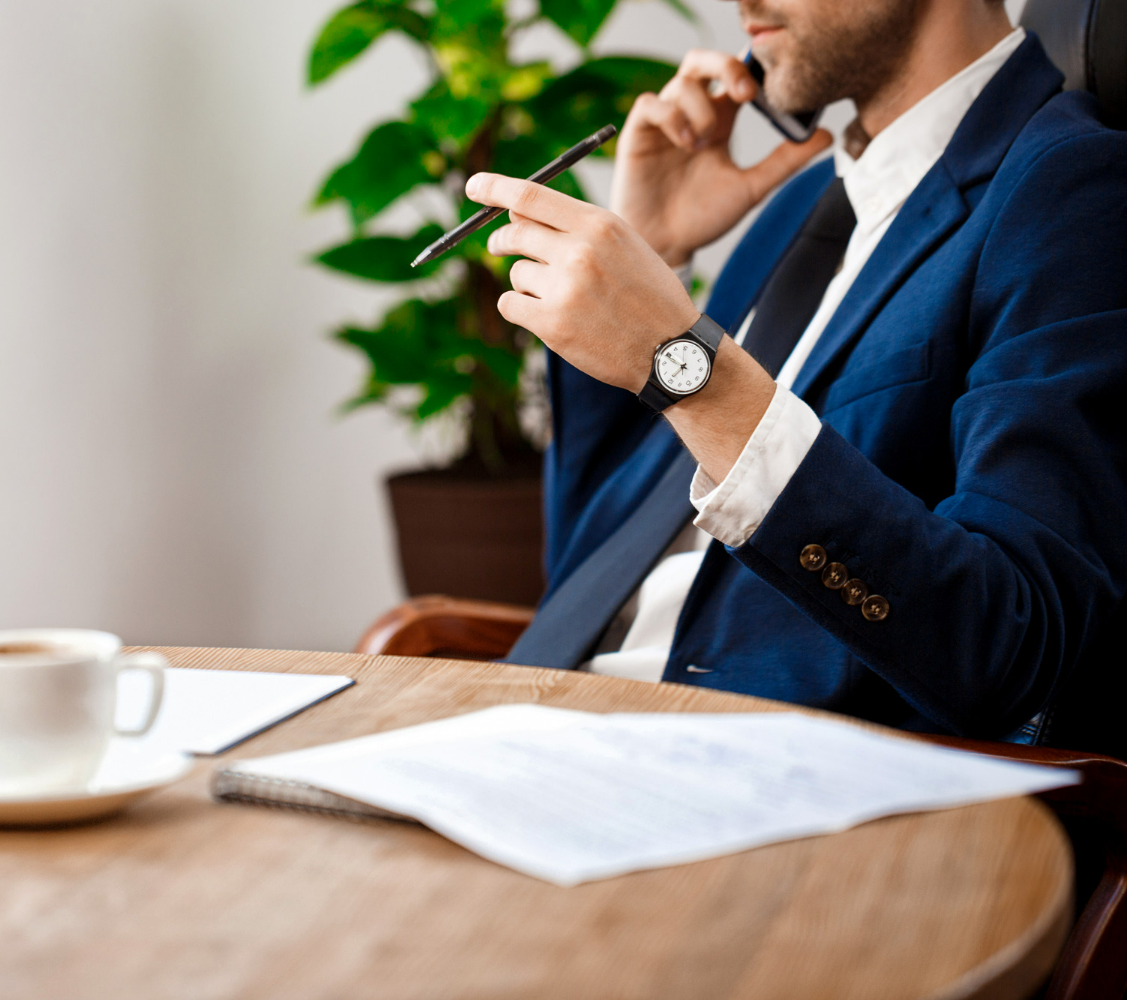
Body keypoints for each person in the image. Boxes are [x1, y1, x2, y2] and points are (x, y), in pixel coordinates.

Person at [464, 0, 1127, 753]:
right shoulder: (800, 212)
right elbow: (584, 581)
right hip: (546, 727)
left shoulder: (1076, 189)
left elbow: (1010, 647)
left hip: (752, 780)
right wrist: (653, 254)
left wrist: (687, 368)